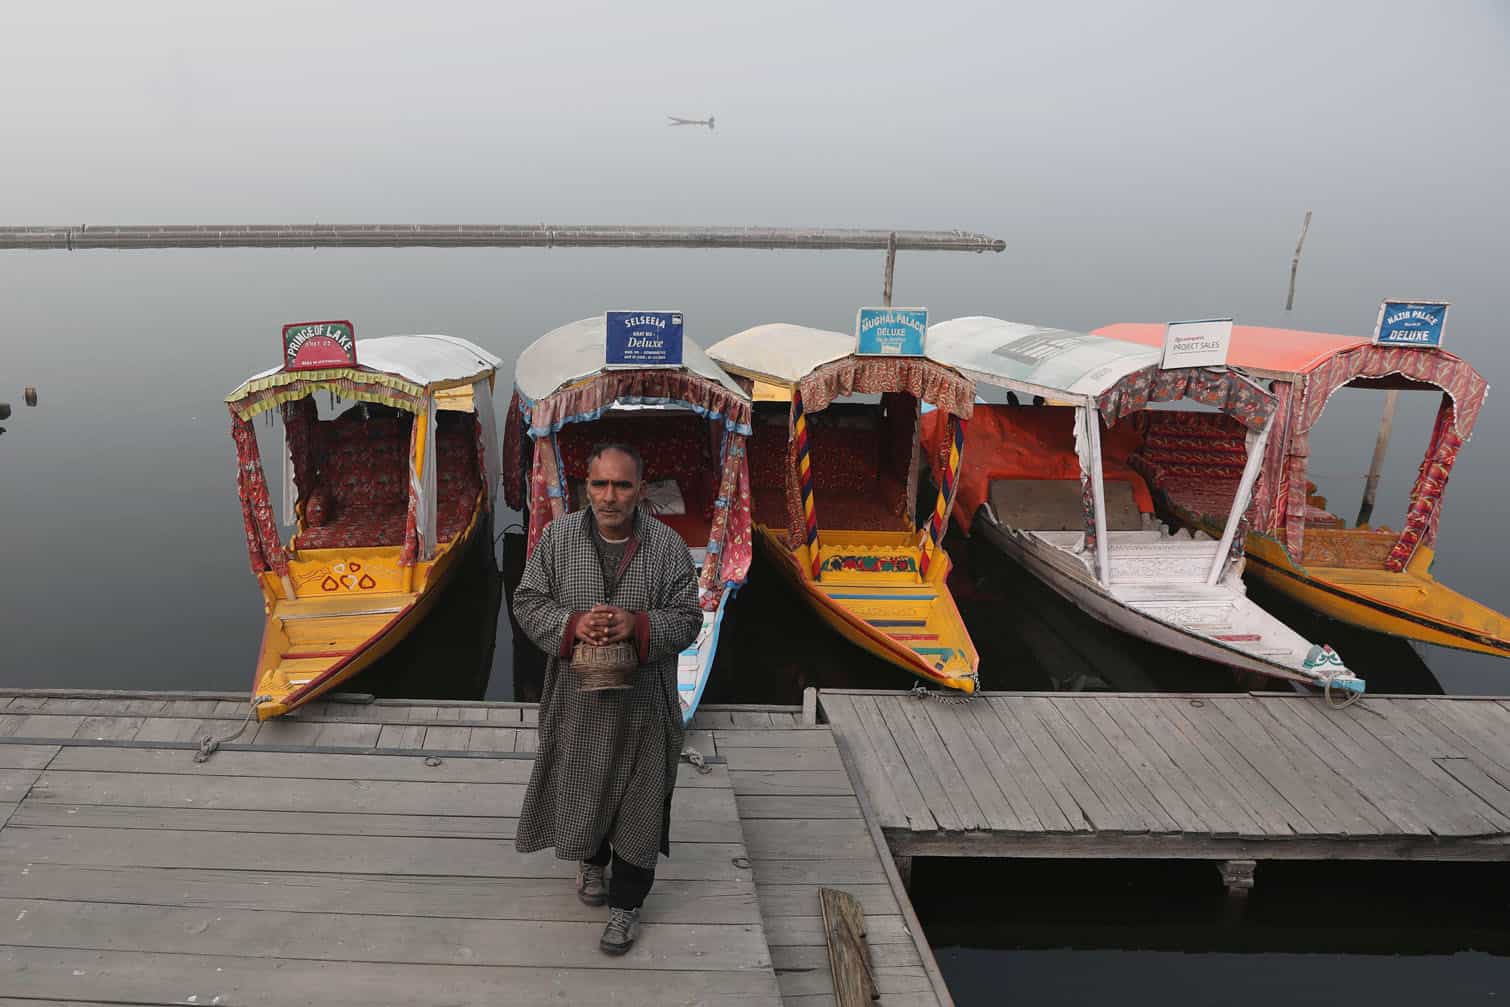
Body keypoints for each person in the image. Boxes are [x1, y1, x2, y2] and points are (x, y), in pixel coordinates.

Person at [512, 442, 703, 955]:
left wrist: (637, 625)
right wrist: (573, 624)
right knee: (585, 786)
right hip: (577, 703)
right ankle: (592, 863)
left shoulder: (667, 547)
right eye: (600, 484)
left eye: (622, 485)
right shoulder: (558, 538)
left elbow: (689, 619)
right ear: (586, 489)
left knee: (641, 804)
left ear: (641, 490)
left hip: (645, 708)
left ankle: (627, 907)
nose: (610, 496)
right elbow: (527, 601)